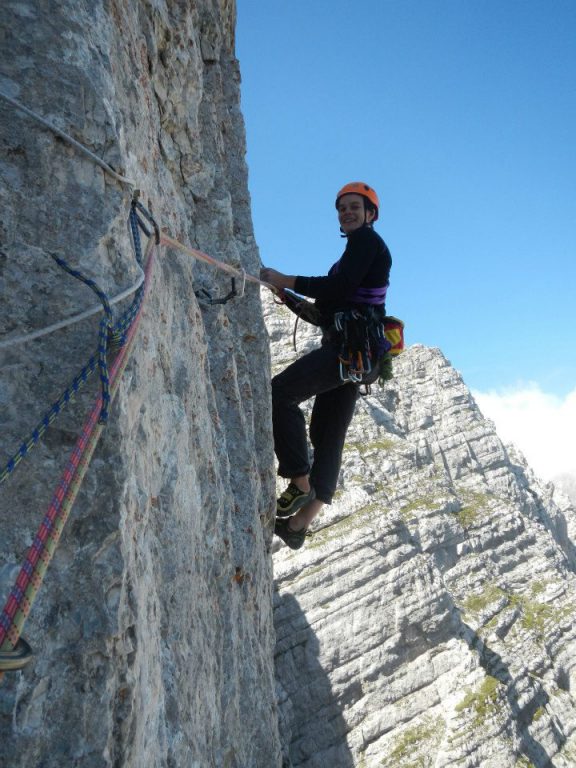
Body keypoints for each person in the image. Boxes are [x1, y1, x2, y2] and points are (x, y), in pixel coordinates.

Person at [260, 182, 392, 550]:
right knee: (327, 436)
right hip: (357, 358)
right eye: (342, 208)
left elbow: (337, 287)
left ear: (370, 214)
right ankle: (299, 524)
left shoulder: (366, 243)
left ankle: (300, 482)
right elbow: (326, 311)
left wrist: (288, 279)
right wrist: (286, 294)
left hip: (348, 352)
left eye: (354, 207)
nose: (346, 212)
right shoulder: (357, 251)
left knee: (280, 393)